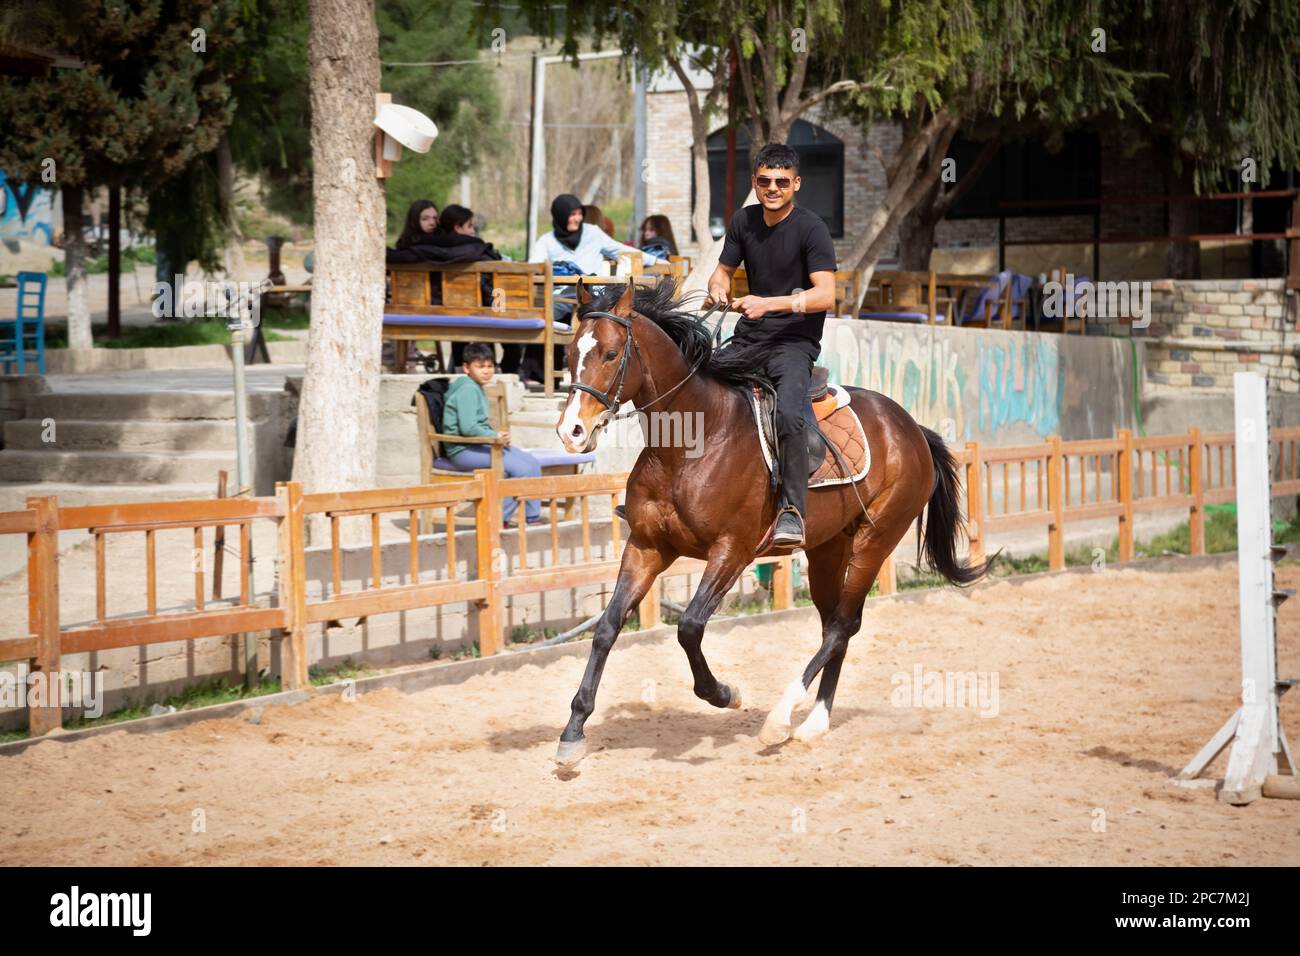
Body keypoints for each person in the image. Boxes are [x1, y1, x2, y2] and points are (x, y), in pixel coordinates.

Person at [703, 143, 838, 548]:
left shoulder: (812, 228)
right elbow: (722, 272)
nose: (773, 188)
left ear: (796, 184)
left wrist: (769, 303)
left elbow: (825, 295)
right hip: (749, 337)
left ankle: (793, 512)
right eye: (765, 181)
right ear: (754, 183)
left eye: (781, 181)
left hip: (793, 343)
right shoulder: (743, 221)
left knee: (789, 418)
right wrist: (717, 288)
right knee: (692, 390)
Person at [526, 194, 658, 386]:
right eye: (572, 214)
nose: (577, 219)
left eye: (580, 214)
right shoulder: (547, 241)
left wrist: (656, 260)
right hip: (560, 297)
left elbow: (620, 250)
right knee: (548, 310)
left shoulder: (592, 233)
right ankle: (540, 373)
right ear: (560, 215)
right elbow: (534, 266)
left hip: (593, 297)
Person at [442, 342, 543, 526]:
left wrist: (497, 435)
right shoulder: (467, 389)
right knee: (522, 469)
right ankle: (498, 518)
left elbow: (476, 425)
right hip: (462, 450)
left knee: (531, 462)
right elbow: (468, 428)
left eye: (490, 366)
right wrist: (494, 436)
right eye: (480, 367)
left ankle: (532, 516)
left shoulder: (475, 386)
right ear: (466, 367)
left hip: (478, 444)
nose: (486, 371)